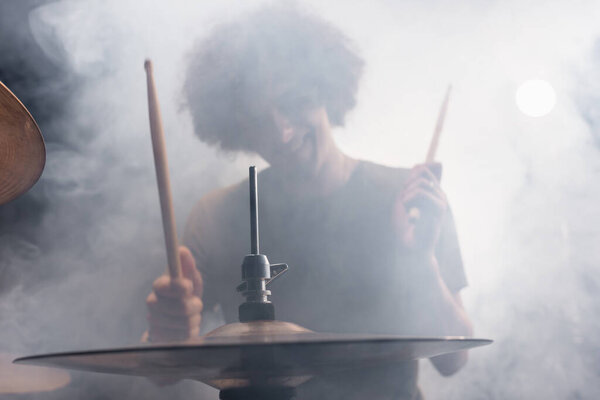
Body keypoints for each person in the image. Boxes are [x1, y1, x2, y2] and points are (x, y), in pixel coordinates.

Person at [144, 5, 473, 399]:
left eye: (293, 101)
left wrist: (421, 260)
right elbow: (161, 373)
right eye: (258, 117)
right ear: (236, 126)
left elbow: (452, 361)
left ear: (326, 88)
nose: (282, 132)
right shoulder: (216, 216)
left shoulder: (409, 199)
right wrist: (167, 332)